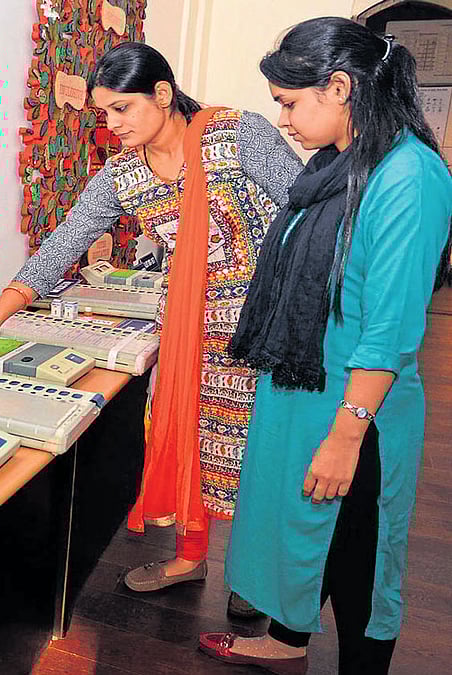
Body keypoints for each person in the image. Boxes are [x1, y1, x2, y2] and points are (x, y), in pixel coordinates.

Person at [0, 42, 303, 611]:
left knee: (259, 451)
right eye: (103, 113)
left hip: (265, 325)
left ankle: (256, 578)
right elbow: (63, 243)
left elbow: (305, 210)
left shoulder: (237, 135)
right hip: (188, 331)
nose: (111, 126)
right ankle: (189, 557)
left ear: (163, 94)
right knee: (190, 439)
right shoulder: (123, 174)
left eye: (122, 109)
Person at [198, 17, 452, 675]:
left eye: (288, 100)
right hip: (304, 390)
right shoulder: (336, 163)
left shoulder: (408, 176)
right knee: (299, 528)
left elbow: (392, 328)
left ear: (339, 86)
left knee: (357, 554)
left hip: (357, 407)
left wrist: (347, 434)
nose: (281, 116)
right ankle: (285, 642)